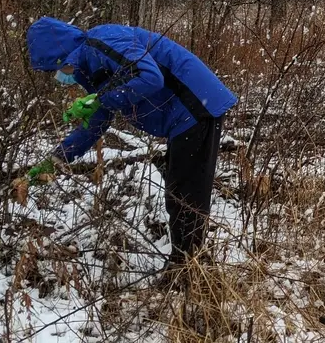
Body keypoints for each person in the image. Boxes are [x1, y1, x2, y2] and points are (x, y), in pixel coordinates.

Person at [25, 17, 237, 285]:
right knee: (180, 193)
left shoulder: (102, 42)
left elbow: (149, 77)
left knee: (185, 197)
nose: (57, 77)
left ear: (60, 55)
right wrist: (57, 158)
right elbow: (97, 122)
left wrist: (99, 98)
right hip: (181, 116)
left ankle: (187, 274)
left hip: (196, 105)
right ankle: (187, 267)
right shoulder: (88, 65)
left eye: (53, 69)